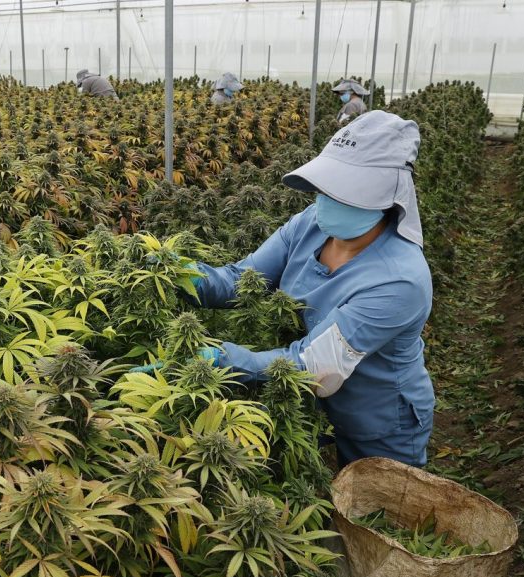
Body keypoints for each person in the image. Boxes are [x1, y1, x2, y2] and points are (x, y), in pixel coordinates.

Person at [186, 111, 433, 468]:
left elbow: (313, 365)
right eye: (327, 185)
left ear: (384, 195)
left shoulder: (400, 279)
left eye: (345, 188)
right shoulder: (310, 225)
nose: (327, 197)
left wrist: (223, 359)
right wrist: (184, 277)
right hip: (311, 407)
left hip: (378, 424)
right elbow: (241, 280)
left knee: (376, 502)